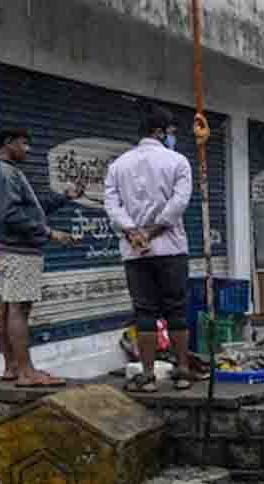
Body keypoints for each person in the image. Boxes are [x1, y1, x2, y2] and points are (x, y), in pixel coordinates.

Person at [0, 126, 84, 387]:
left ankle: (12, 367)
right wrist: (50, 233)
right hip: (18, 251)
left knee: (7, 307)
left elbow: (29, 209)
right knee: (19, 309)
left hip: (8, 249)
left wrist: (64, 198)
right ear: (8, 143)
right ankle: (26, 372)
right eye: (24, 143)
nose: (28, 149)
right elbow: (10, 215)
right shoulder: (3, 172)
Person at [104, 105, 204, 392]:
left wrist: (133, 232)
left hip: (135, 252)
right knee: (177, 309)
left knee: (144, 311)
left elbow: (111, 205)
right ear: (161, 132)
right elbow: (180, 202)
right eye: (171, 132)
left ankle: (148, 376)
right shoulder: (178, 161)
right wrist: (153, 230)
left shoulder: (118, 165)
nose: (173, 137)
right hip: (170, 248)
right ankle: (183, 371)